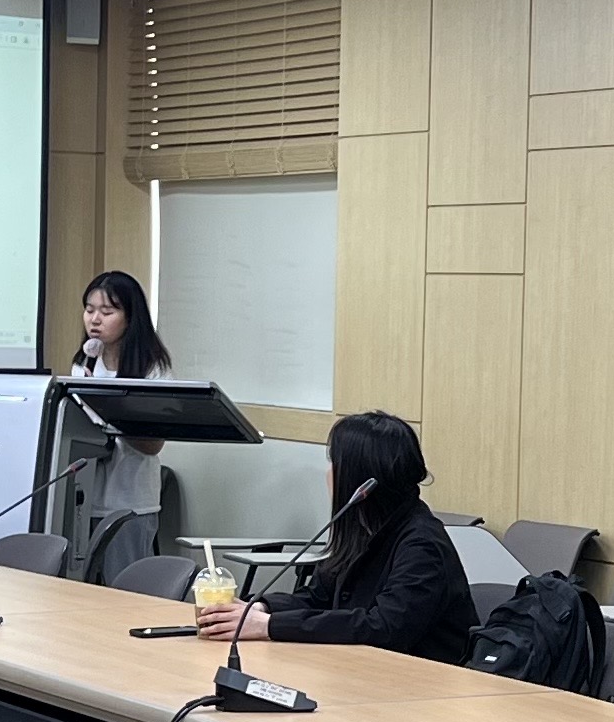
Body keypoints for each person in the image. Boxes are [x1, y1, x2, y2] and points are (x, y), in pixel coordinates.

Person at [197, 411, 475, 663]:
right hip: (361, 668)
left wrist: (269, 626)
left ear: (362, 479)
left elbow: (384, 628)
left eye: (335, 463)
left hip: (423, 682)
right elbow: (319, 597)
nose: (328, 474)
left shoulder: (422, 544)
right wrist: (261, 608)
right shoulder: (363, 526)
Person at [66, 270, 170, 584]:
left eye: (107, 312)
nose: (95, 319)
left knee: (126, 588)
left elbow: (153, 445)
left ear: (130, 317)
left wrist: (109, 410)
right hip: (84, 495)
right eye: (89, 310)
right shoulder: (83, 366)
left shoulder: (153, 370)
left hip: (130, 499)